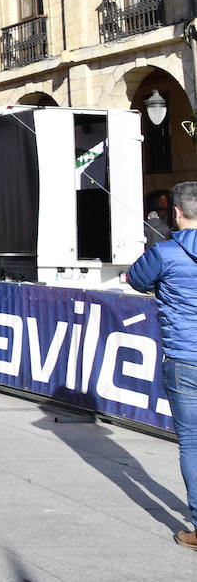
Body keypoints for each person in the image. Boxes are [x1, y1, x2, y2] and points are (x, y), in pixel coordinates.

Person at [128, 181, 197, 551]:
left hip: (186, 358)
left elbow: (137, 279)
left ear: (175, 212)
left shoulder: (166, 252)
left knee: (192, 443)